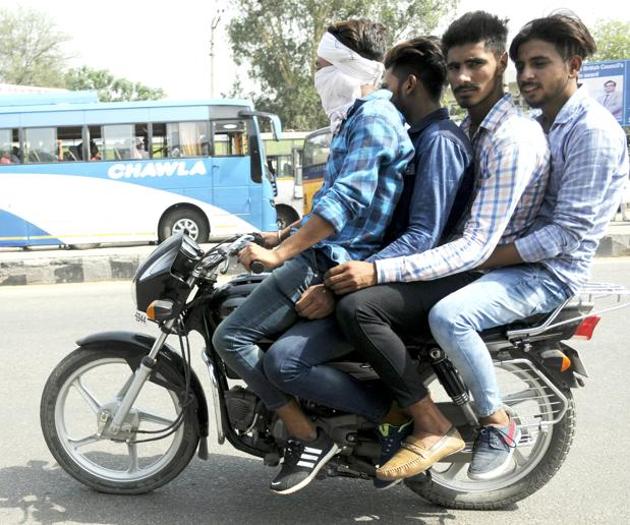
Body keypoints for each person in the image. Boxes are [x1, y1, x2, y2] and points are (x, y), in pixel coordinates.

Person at [328, 11, 550, 483]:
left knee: (360, 308)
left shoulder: (510, 138)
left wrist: (375, 270)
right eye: (454, 67)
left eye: (475, 64)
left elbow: (472, 244)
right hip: (462, 260)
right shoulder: (472, 127)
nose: (463, 77)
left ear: (501, 65)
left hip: (484, 268)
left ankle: (456, 423)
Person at [262, 36, 475, 490]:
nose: (381, 88)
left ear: (409, 83)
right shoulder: (411, 133)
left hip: (430, 272)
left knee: (352, 312)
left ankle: (420, 419)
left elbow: (422, 235)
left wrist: (351, 279)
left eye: (389, 80)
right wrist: (285, 236)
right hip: (388, 264)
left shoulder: (438, 141)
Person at [211, 19, 414, 495]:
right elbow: (331, 204)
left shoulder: (373, 120)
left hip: (331, 261)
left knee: (231, 337)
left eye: (323, 66)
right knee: (264, 340)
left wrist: (280, 253)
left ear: (350, 66)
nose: (317, 75)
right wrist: (279, 232)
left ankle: (307, 435)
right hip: (329, 252)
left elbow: (345, 201)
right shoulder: (357, 119)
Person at [428, 13, 629, 481]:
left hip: (548, 273)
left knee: (449, 317)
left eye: (540, 63)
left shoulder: (593, 131)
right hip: (514, 259)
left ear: (574, 65)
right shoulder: (544, 122)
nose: (528, 75)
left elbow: (566, 234)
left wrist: (481, 257)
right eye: (521, 64)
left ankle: (496, 426)